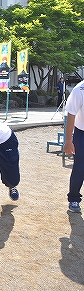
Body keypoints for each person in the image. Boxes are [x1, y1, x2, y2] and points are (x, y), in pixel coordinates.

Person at [64, 79, 84, 213]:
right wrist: (68, 141)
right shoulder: (79, 90)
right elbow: (71, 116)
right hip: (82, 133)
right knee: (80, 167)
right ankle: (74, 199)